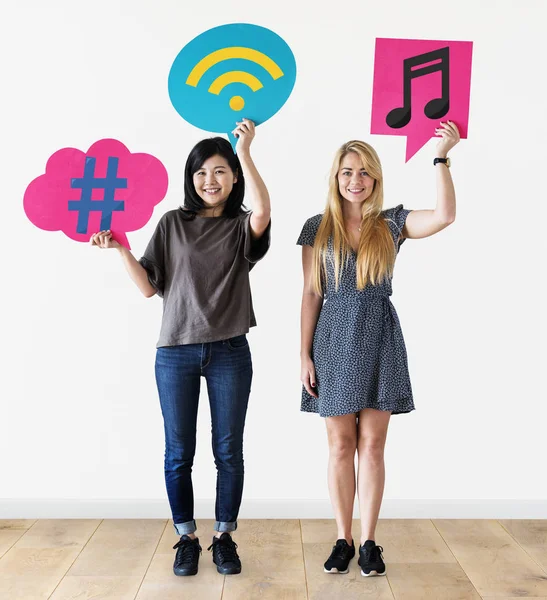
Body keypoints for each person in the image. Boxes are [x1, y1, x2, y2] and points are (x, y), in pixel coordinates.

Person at [91, 119, 271, 577]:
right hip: (176, 353)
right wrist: (120, 250)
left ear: (234, 177)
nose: (209, 181)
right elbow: (150, 288)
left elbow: (264, 211)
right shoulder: (173, 223)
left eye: (220, 172)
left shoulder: (240, 226)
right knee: (178, 452)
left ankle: (224, 537)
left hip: (230, 350)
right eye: (201, 173)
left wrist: (246, 150)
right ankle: (186, 537)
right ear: (190, 179)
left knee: (228, 451)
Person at [297, 121, 459, 577]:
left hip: (380, 335)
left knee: (372, 446)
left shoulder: (391, 222)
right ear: (336, 177)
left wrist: (441, 157)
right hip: (333, 337)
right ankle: (342, 539)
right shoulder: (316, 228)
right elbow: (311, 294)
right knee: (339, 444)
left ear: (376, 179)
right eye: (348, 171)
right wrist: (304, 354)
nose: (356, 179)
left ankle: (369, 541)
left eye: (365, 172)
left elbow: (444, 216)